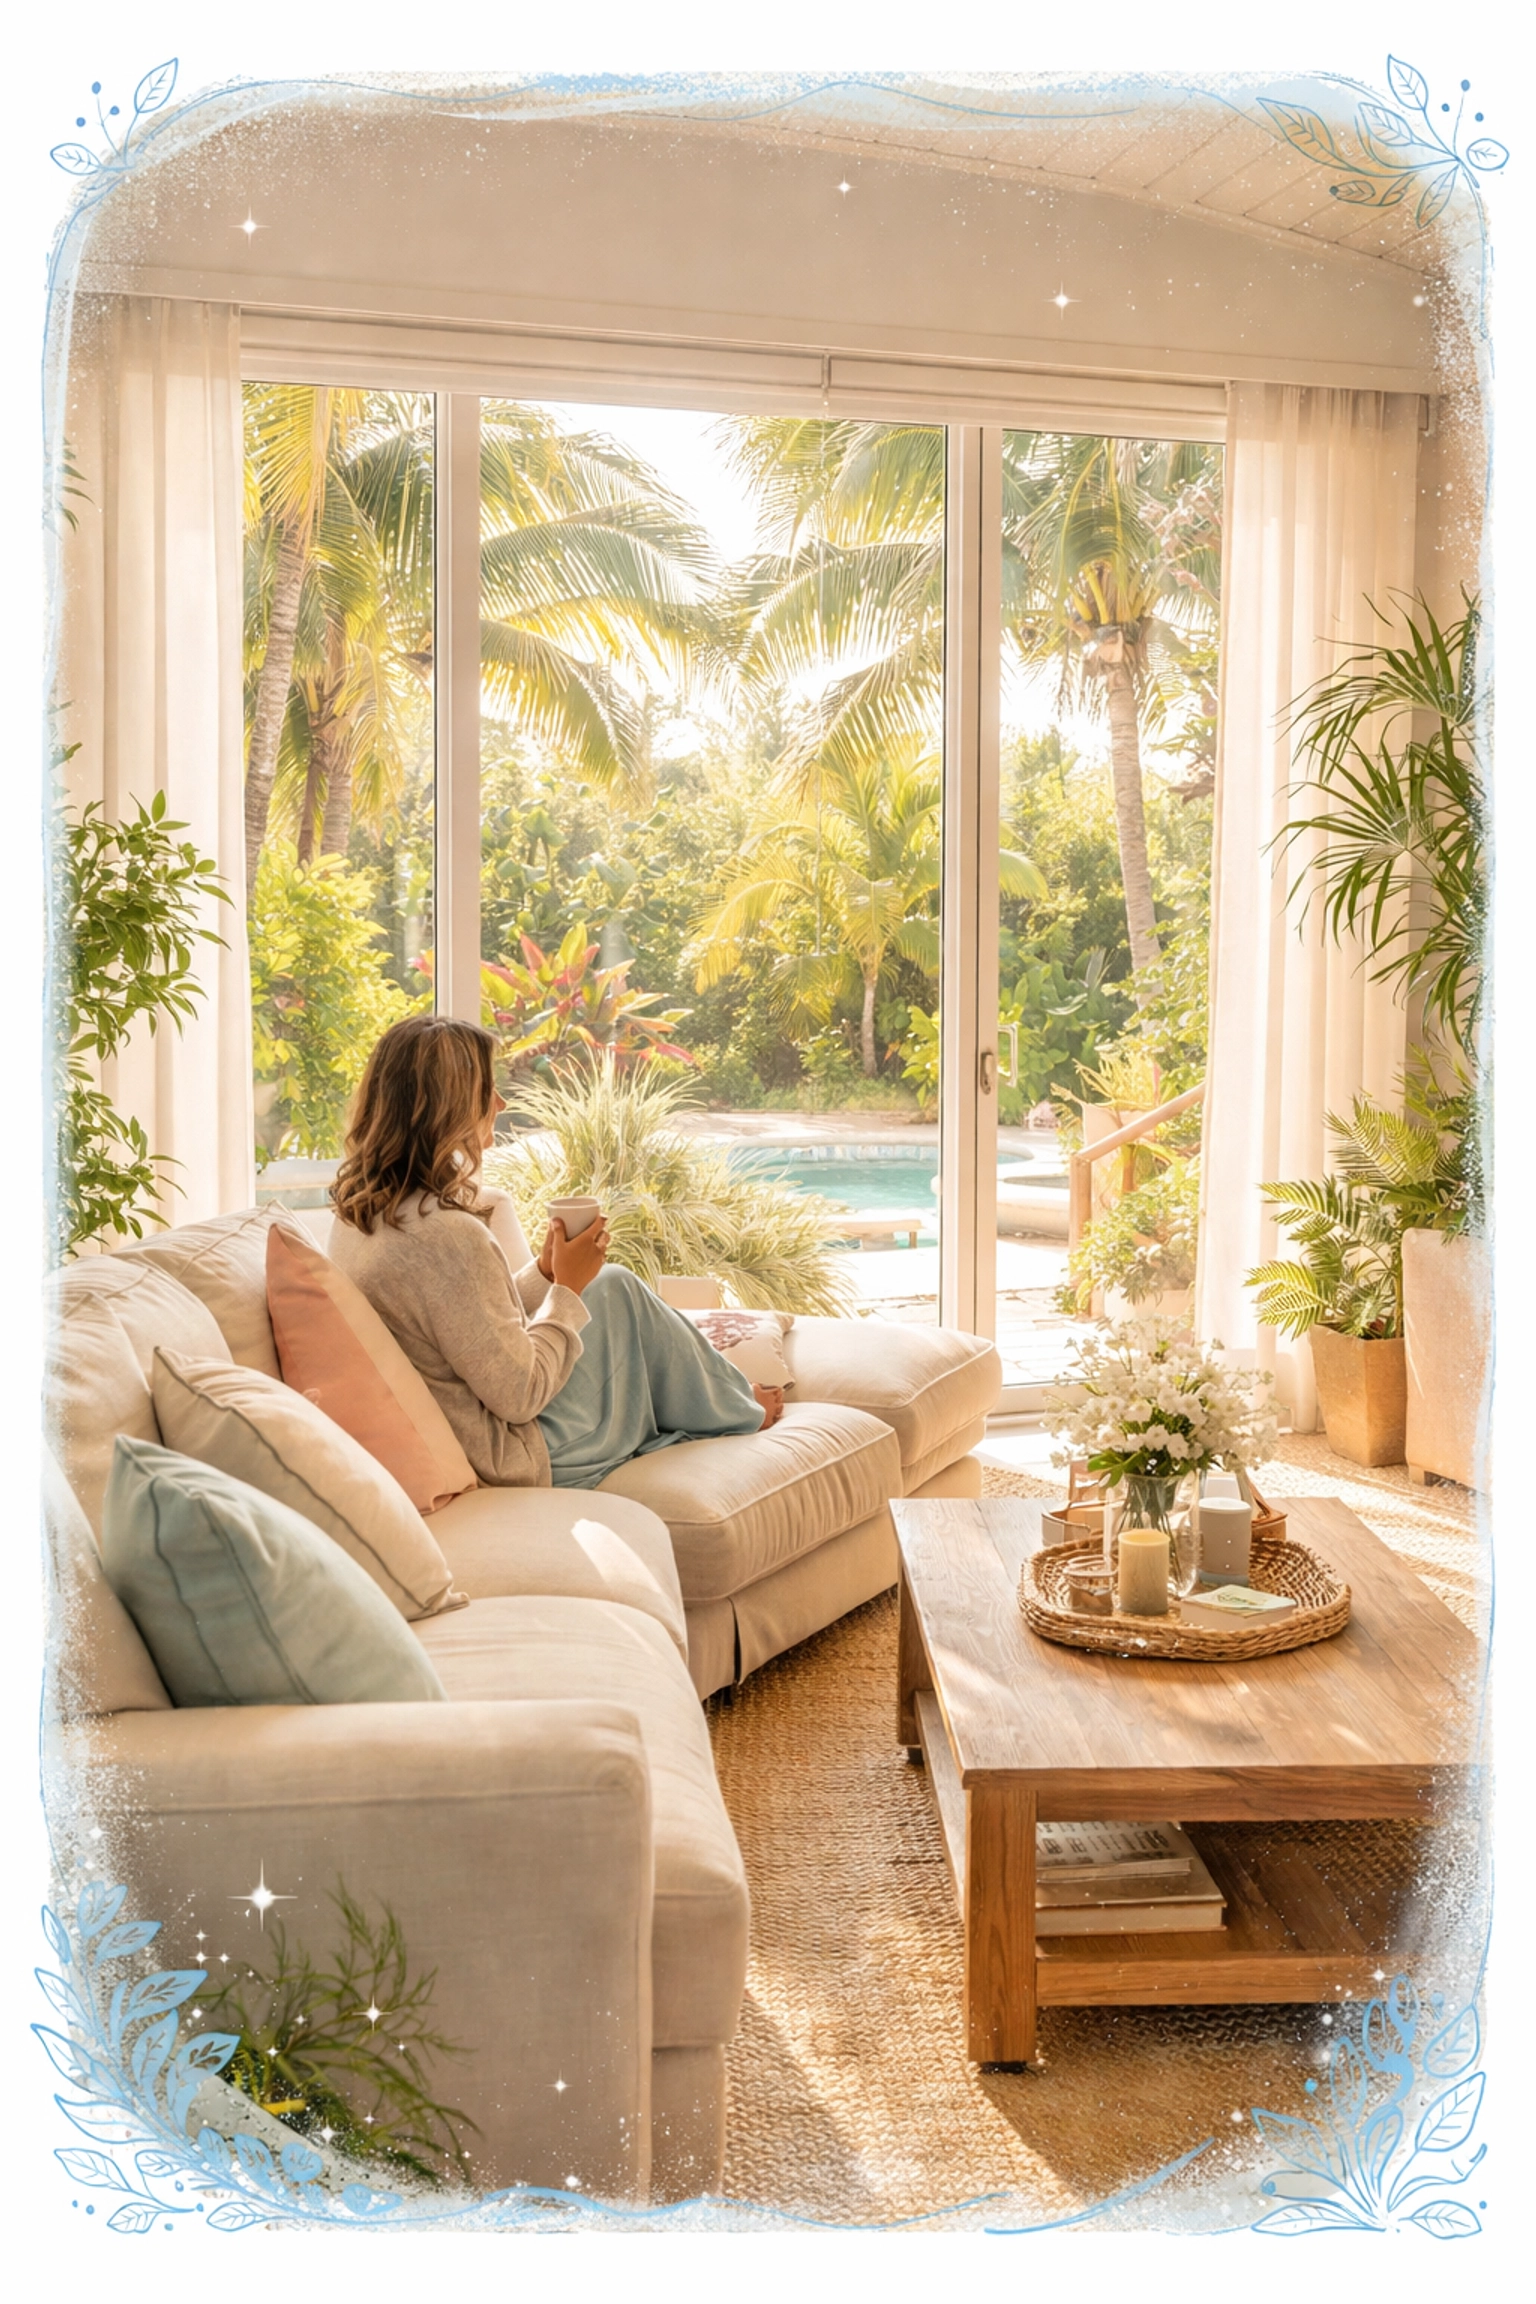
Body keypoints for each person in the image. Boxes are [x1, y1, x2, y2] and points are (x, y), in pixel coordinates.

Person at [328, 1015, 783, 1490]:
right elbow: (521, 1394)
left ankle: (729, 1399)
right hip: (517, 1454)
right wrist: (567, 1290)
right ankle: (740, 1406)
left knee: (609, 1285)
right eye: (487, 1090)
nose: (500, 1103)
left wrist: (545, 1272)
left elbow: (469, 1328)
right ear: (447, 1107)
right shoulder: (448, 1236)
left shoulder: (364, 1212)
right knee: (618, 1288)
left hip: (478, 1433)